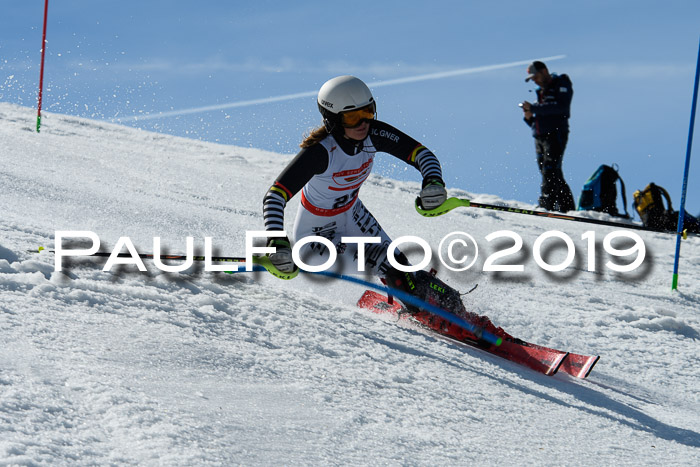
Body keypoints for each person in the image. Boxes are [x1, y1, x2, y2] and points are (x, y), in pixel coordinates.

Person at [261, 75, 495, 332]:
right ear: (333, 120)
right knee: (389, 268)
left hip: (351, 215)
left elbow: (422, 154)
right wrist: (276, 241)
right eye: (352, 117)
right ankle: (431, 316)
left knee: (402, 266)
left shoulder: (374, 133)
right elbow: (275, 196)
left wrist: (433, 182)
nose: (363, 123)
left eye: (368, 111)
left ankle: (454, 310)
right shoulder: (320, 152)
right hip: (317, 237)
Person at [520, 61, 576, 212]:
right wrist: (529, 117)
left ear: (544, 71)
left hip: (556, 133)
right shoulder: (541, 92)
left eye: (535, 76)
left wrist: (534, 108)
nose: (534, 80)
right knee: (550, 171)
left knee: (550, 169)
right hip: (540, 136)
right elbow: (541, 117)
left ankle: (547, 204)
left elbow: (562, 108)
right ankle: (566, 208)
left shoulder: (561, 83)